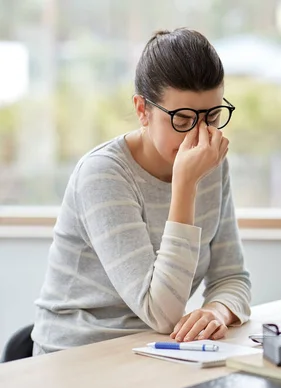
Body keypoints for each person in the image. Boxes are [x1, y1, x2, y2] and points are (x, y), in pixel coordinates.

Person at [31, 28, 251, 355]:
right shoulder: (103, 174)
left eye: (213, 117)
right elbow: (160, 312)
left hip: (155, 350)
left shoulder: (211, 164)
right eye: (183, 119)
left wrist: (216, 311)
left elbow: (233, 277)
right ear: (141, 110)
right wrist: (185, 185)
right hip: (77, 355)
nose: (200, 136)